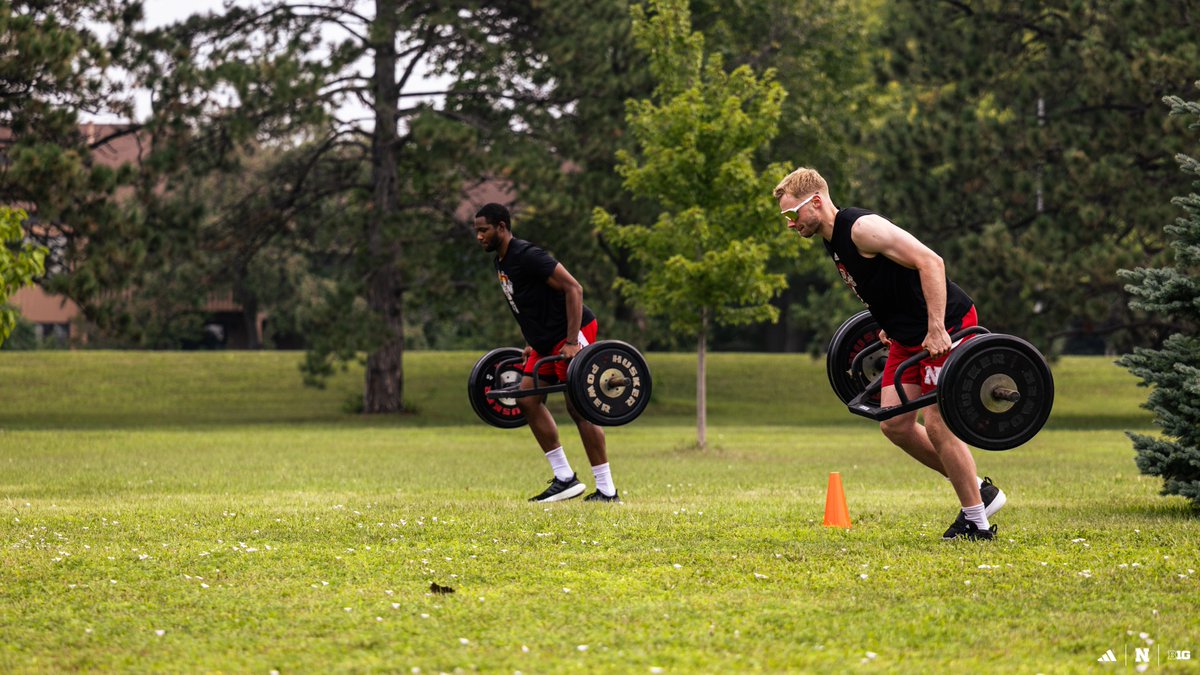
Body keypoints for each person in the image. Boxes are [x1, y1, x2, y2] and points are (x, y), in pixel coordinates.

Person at [773, 168, 1006, 540]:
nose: (790, 224)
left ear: (816, 202)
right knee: (895, 424)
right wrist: (889, 320)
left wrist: (935, 328)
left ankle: (976, 522)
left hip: (946, 325)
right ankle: (979, 489)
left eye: (792, 214)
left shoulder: (862, 228)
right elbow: (886, 281)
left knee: (937, 423)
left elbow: (931, 262)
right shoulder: (832, 240)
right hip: (905, 333)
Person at [474, 203, 621, 503]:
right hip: (545, 341)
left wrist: (570, 341)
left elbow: (573, 289)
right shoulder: (501, 262)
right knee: (527, 399)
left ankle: (607, 490)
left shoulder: (529, 256)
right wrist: (532, 340)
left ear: (501, 227)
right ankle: (565, 478)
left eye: (483, 230)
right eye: (476, 231)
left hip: (572, 331)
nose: (478, 237)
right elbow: (528, 306)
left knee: (578, 406)